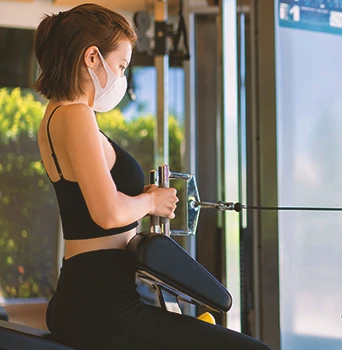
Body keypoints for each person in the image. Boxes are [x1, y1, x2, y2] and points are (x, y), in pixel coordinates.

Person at [35, 3, 272, 350]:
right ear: (91, 58)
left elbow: (93, 204)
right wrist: (151, 201)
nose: (121, 76)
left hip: (91, 294)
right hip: (101, 304)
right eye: (121, 65)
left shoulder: (56, 115)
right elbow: (108, 213)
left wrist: (141, 199)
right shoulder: (76, 115)